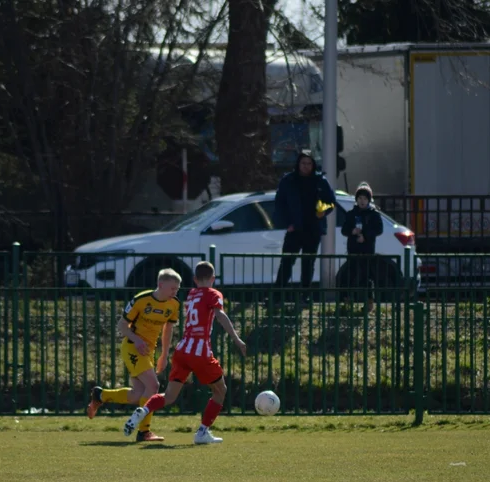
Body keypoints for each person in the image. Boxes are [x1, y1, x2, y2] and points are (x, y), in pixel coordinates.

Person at [124, 261, 247, 445]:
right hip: (200, 352)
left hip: (182, 350)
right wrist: (236, 338)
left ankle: (144, 410)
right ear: (213, 279)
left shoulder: (192, 294)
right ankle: (202, 432)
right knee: (220, 390)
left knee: (169, 397)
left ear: (195, 279)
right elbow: (220, 315)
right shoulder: (213, 294)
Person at [85, 268, 181, 442]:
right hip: (132, 347)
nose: (175, 292)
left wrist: (164, 354)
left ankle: (101, 395)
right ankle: (144, 432)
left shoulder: (173, 304)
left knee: (138, 395)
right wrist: (136, 340)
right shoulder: (141, 300)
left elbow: (168, 328)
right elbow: (121, 325)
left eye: (177, 289)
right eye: (172, 288)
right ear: (160, 285)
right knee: (153, 386)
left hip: (149, 351)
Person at [272, 149, 336, 291]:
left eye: (309, 163)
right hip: (295, 228)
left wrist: (324, 212)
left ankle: (305, 294)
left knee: (308, 264)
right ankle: (276, 295)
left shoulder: (320, 181)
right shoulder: (288, 181)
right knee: (287, 262)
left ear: (313, 165)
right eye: (303, 163)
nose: (306, 166)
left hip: (313, 229)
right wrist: (287, 224)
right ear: (298, 164)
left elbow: (331, 202)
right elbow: (279, 204)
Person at [340, 182, 384, 312]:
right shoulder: (351, 213)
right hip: (353, 249)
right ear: (356, 200)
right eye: (360, 198)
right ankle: (347, 301)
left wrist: (365, 235)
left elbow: (379, 229)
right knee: (349, 275)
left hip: (367, 250)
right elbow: (344, 230)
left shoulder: (374, 214)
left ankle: (369, 303)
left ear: (369, 200)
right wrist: (352, 231)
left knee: (366, 277)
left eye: (365, 198)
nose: (362, 201)